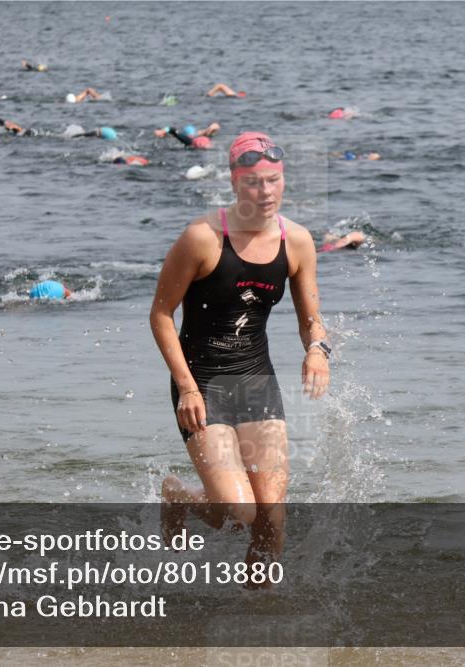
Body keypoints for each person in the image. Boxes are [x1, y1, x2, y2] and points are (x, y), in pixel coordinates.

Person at [150, 131, 330, 585]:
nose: (265, 192)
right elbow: (161, 314)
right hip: (203, 384)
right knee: (237, 511)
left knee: (272, 517)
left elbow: (312, 320)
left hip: (255, 381)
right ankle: (178, 495)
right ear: (234, 181)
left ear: (283, 181)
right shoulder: (202, 238)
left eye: (272, 180)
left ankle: (257, 615)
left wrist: (317, 351)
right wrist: (187, 387)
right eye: (253, 182)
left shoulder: (299, 242)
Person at [155, 122, 220, 150]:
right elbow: (215, 126)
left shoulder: (189, 140)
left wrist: (162, 131)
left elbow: (172, 129)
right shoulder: (203, 135)